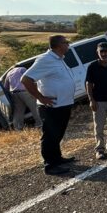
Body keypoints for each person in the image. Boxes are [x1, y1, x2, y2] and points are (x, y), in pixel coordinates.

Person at [21, 35, 76, 175]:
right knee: (50, 135)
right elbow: (26, 79)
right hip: (51, 106)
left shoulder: (59, 59)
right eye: (66, 42)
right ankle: (50, 165)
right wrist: (41, 97)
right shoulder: (45, 60)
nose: (68, 44)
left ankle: (57, 158)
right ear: (58, 46)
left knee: (57, 134)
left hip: (63, 104)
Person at [5, 66, 42, 130]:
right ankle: (40, 124)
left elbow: (6, 87)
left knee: (18, 111)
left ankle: (17, 127)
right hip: (25, 92)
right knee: (35, 107)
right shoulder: (22, 69)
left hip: (15, 94)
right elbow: (29, 78)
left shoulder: (8, 73)